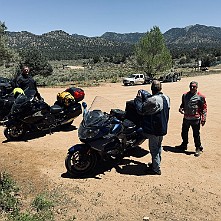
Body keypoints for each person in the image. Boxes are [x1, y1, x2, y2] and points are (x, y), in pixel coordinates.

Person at [134, 80, 170, 175]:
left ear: (152, 88)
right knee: (158, 147)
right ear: (161, 88)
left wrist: (137, 99)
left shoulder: (153, 100)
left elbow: (141, 109)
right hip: (162, 127)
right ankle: (156, 164)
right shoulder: (166, 98)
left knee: (154, 149)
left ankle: (156, 169)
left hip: (154, 129)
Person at [176, 81, 207, 157]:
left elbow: (204, 108)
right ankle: (184, 145)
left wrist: (204, 119)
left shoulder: (201, 97)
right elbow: (183, 104)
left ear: (197, 87)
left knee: (196, 134)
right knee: (184, 132)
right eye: (191, 86)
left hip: (195, 119)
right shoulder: (185, 95)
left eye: (194, 87)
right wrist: (181, 109)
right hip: (186, 118)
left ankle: (198, 147)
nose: (192, 88)